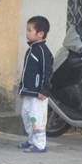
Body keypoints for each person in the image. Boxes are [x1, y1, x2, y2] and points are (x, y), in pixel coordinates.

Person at [18, 15, 54, 153]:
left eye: (29, 30)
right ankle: (31, 140)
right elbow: (26, 72)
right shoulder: (31, 49)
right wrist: (22, 88)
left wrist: (44, 90)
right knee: (26, 116)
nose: (26, 33)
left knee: (36, 118)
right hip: (29, 91)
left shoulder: (43, 51)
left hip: (39, 94)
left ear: (40, 34)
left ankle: (39, 144)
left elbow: (47, 72)